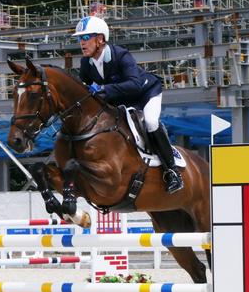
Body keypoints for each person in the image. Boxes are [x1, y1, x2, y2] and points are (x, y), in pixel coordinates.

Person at [72, 16, 183, 194]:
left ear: (100, 39)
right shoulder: (86, 63)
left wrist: (103, 89)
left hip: (146, 93)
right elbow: (84, 87)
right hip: (123, 101)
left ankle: (172, 171)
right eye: (79, 39)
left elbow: (135, 84)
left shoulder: (120, 55)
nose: (81, 43)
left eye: (85, 38)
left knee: (151, 123)